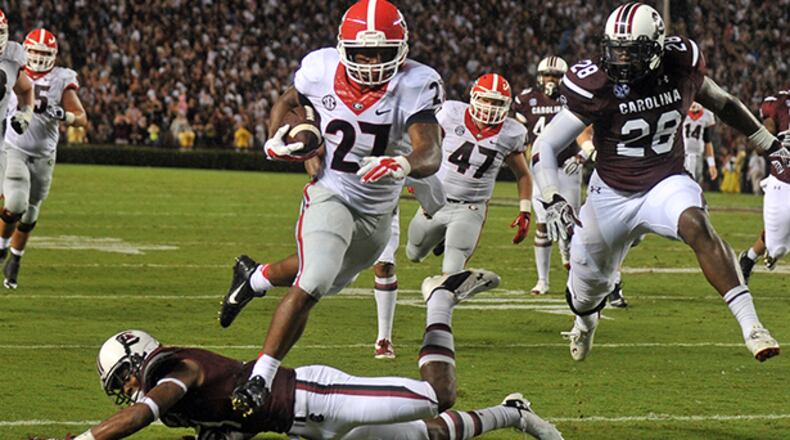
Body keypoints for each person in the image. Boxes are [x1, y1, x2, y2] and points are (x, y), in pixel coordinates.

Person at [217, 0, 445, 414]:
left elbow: (429, 149)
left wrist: (405, 161)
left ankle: (254, 278)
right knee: (316, 278)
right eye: (363, 53)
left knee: (325, 277)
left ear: (402, 50)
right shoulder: (320, 68)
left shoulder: (416, 83)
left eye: (382, 53)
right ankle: (259, 379)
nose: (373, 63)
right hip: (331, 192)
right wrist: (280, 139)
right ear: (344, 49)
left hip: (378, 212)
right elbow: (289, 101)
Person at [532, 2, 783, 362]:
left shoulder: (681, 63)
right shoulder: (595, 82)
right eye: (614, 49)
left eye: (629, 52)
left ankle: (752, 325)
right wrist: (553, 196)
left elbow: (724, 103)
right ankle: (585, 325)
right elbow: (547, 143)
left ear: (655, 48)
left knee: (697, 224)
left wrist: (768, 143)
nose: (618, 60)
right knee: (585, 294)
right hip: (610, 195)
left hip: (664, 182)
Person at [71, 270, 563, 440]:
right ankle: (514, 413)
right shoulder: (179, 404)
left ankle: (439, 301)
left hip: (314, 395)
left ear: (141, 361)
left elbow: (137, 417)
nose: (126, 392)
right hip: (307, 428)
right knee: (426, 436)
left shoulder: (176, 369)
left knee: (439, 395)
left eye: (123, 380)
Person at [404, 73, 532, 275]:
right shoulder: (449, 113)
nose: (490, 106)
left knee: (452, 270)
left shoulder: (512, 133)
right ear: (473, 97)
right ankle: (441, 237)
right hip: (436, 199)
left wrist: (525, 210)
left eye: (497, 102)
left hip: (471, 207)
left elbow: (523, 174)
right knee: (414, 253)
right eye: (485, 99)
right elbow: (424, 145)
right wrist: (416, 177)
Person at [0, 28, 71, 289]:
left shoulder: (61, 78)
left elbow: (81, 116)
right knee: (15, 203)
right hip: (13, 146)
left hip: (43, 154)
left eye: (45, 53)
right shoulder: (11, 66)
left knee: (30, 212)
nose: (39, 58)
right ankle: (1, 246)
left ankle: (15, 259)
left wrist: (66, 116)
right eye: (35, 52)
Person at [739, 90, 790, 283]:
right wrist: (766, 137)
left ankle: (749, 259)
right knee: (778, 247)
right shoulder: (779, 104)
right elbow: (762, 143)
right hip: (784, 180)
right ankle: (750, 257)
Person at [682, 101, 718, 183]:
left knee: (696, 180)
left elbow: (707, 140)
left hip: (698, 155)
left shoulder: (706, 114)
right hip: (683, 154)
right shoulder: (682, 111)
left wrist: (712, 164)